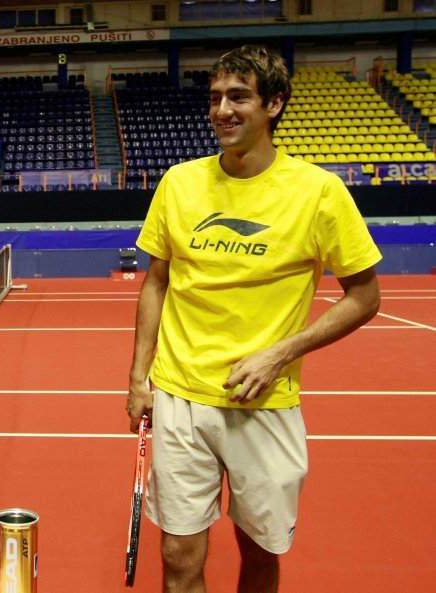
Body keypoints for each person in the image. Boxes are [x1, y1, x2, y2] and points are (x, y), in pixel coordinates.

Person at [125, 45, 381, 593]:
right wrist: (137, 380)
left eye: (239, 96)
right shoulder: (179, 182)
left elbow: (364, 296)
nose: (223, 110)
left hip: (262, 402)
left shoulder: (318, 192)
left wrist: (281, 352)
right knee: (177, 556)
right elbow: (156, 281)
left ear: (275, 104)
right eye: (215, 97)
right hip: (179, 396)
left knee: (260, 553)